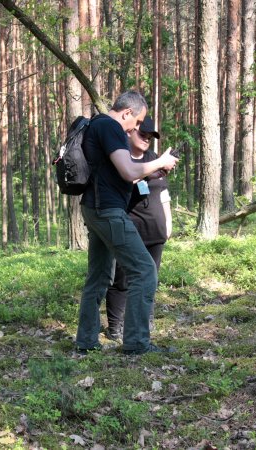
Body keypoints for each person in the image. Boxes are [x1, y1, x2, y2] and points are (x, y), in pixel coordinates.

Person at [75, 90, 178, 355]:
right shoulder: (110, 127)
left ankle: (86, 341)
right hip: (108, 211)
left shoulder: (96, 125)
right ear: (127, 113)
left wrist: (154, 170)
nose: (137, 127)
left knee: (99, 277)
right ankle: (136, 343)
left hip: (94, 208)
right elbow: (129, 170)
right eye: (139, 121)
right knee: (144, 270)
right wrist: (161, 160)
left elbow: (119, 176)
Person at [105, 116, 172, 342]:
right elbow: (127, 179)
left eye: (151, 137)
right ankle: (115, 326)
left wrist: (168, 222)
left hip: (155, 229)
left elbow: (163, 192)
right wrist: (150, 170)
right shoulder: (120, 157)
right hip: (128, 229)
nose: (146, 140)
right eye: (143, 134)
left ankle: (145, 322)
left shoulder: (154, 158)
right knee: (121, 280)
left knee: (150, 279)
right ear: (130, 132)